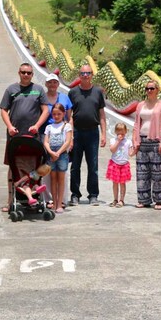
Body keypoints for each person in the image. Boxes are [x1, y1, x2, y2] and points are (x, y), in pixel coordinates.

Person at [0, 63, 50, 211]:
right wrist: (9, 127)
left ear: (32, 75)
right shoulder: (11, 89)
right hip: (14, 135)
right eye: (23, 72)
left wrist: (37, 126)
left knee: (36, 164)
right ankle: (10, 200)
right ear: (19, 73)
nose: (26, 75)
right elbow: (3, 110)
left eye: (29, 73)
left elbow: (45, 110)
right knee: (12, 166)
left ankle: (33, 193)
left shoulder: (38, 90)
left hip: (33, 136)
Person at [68, 63, 107, 206]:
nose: (85, 76)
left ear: (92, 75)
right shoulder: (73, 92)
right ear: (79, 75)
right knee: (75, 165)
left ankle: (93, 195)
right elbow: (69, 115)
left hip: (92, 133)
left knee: (93, 165)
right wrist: (70, 135)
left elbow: (102, 115)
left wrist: (104, 135)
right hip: (77, 132)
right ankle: (75, 194)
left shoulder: (97, 92)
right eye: (83, 73)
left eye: (88, 73)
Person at [131, 81, 161, 210]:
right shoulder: (140, 105)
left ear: (157, 90)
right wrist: (135, 140)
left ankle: (158, 200)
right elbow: (137, 124)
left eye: (152, 88)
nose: (149, 90)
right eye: (147, 88)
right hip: (142, 141)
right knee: (142, 172)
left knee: (157, 172)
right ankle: (144, 199)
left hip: (157, 141)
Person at [41, 72, 72, 208]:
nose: (52, 85)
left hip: (63, 143)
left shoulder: (64, 98)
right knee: (49, 175)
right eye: (50, 82)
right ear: (46, 84)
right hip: (48, 136)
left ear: (58, 84)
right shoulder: (42, 98)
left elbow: (70, 117)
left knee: (63, 175)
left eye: (55, 82)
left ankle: (62, 201)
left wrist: (71, 139)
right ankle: (50, 200)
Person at [43, 102, 73, 214]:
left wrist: (58, 153)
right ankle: (54, 202)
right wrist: (51, 152)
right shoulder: (49, 127)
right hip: (51, 155)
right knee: (52, 179)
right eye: (54, 114)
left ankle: (60, 203)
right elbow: (46, 142)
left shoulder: (67, 126)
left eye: (59, 114)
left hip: (62, 155)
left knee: (61, 180)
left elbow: (68, 141)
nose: (56, 116)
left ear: (63, 114)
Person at [106, 122, 132, 207]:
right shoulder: (113, 140)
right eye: (118, 133)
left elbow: (130, 153)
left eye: (122, 133)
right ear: (116, 132)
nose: (121, 135)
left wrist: (135, 149)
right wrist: (118, 141)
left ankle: (121, 200)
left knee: (122, 183)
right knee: (115, 183)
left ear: (125, 132)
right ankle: (115, 199)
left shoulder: (128, 141)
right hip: (115, 163)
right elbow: (112, 150)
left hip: (124, 164)